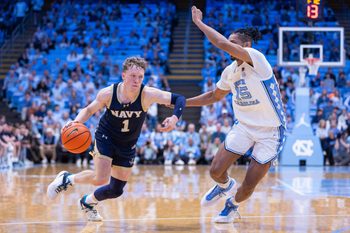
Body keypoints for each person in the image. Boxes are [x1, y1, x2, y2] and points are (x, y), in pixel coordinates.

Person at [47, 57, 186, 221]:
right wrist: (75, 123)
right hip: (106, 136)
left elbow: (180, 99)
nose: (137, 80)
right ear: (123, 75)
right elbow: (89, 110)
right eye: (133, 76)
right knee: (101, 178)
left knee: (116, 190)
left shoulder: (147, 94)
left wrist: (175, 118)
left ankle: (87, 202)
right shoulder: (108, 93)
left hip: (127, 144)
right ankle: (66, 179)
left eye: (140, 77)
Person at [187, 6, 286, 223]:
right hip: (244, 126)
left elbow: (221, 43)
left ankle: (232, 205)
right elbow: (214, 96)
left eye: (234, 42)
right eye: (229, 41)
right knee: (215, 171)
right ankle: (225, 186)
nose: (229, 46)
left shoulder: (257, 59)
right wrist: (185, 103)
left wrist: (200, 24)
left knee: (250, 184)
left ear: (247, 46)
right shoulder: (230, 71)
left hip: (271, 131)